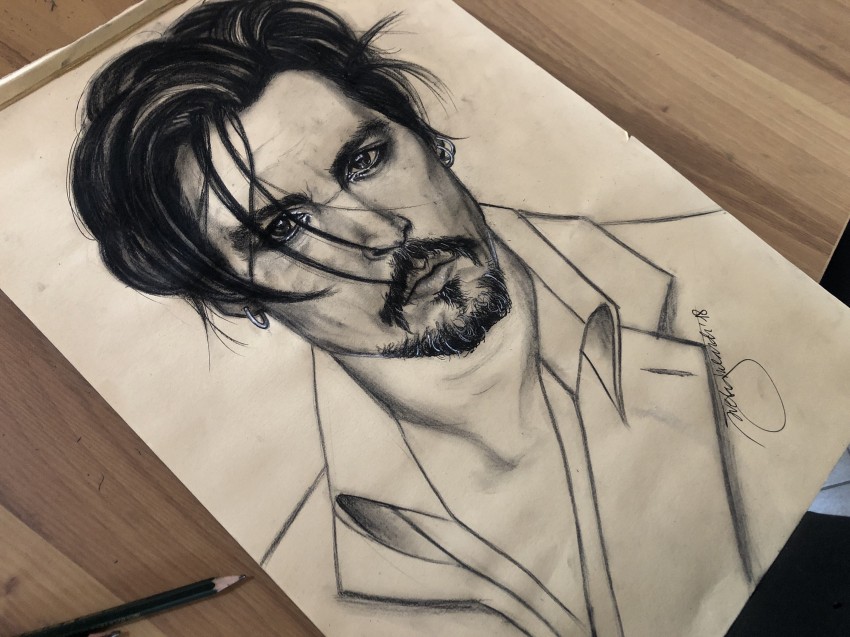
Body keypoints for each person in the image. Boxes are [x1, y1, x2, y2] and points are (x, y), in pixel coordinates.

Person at [70, 1, 755, 635]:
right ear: (232, 296)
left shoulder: (714, 265)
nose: (380, 230)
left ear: (423, 137)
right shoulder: (305, 558)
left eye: (366, 160)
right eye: (283, 228)